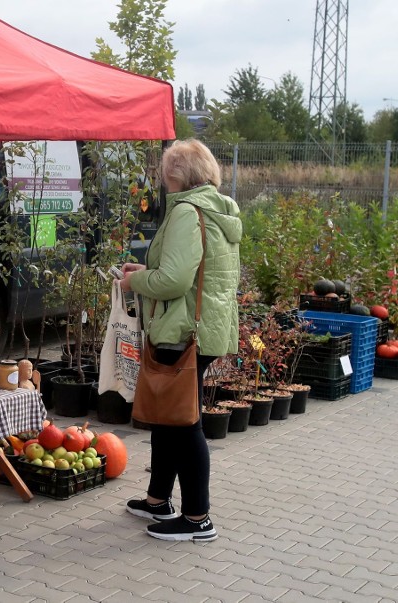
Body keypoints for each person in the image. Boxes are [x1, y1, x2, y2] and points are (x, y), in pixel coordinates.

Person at [119, 139, 241, 542]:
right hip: (200, 326)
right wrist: (147, 268)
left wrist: (136, 280)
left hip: (183, 328)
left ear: (177, 174)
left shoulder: (187, 212)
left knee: (184, 422)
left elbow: (174, 281)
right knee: (168, 415)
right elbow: (183, 269)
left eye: (165, 169)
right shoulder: (214, 208)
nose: (160, 176)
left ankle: (197, 518)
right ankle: (158, 500)